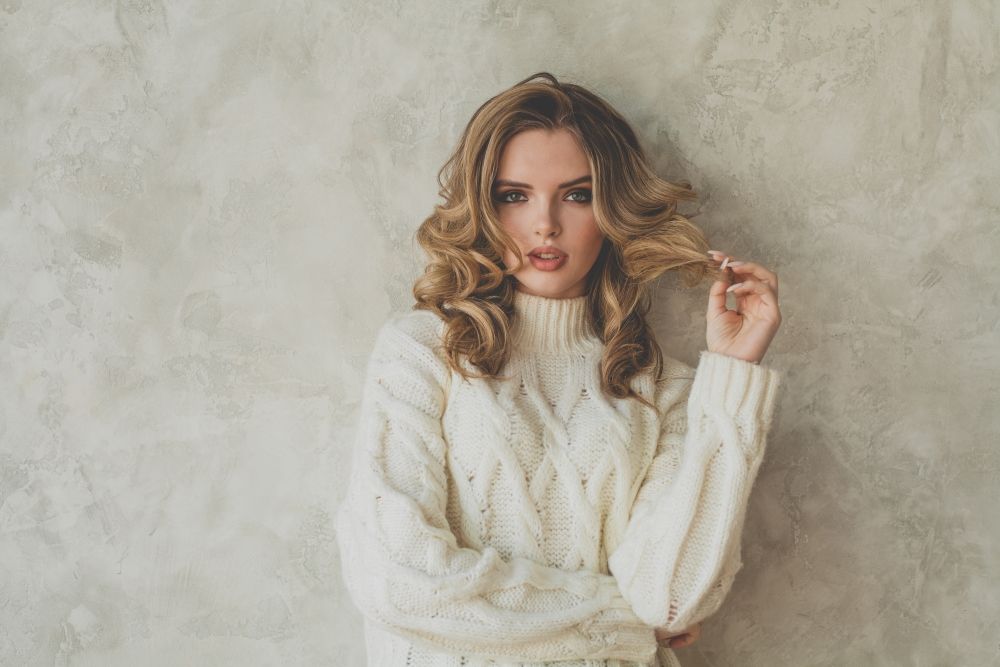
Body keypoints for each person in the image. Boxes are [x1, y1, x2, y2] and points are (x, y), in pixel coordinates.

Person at [334, 71, 783, 667]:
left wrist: (730, 378)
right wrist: (624, 624)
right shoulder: (422, 351)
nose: (544, 223)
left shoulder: (665, 389)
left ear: (613, 208)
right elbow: (400, 582)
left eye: (576, 194)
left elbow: (672, 599)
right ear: (482, 205)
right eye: (513, 195)